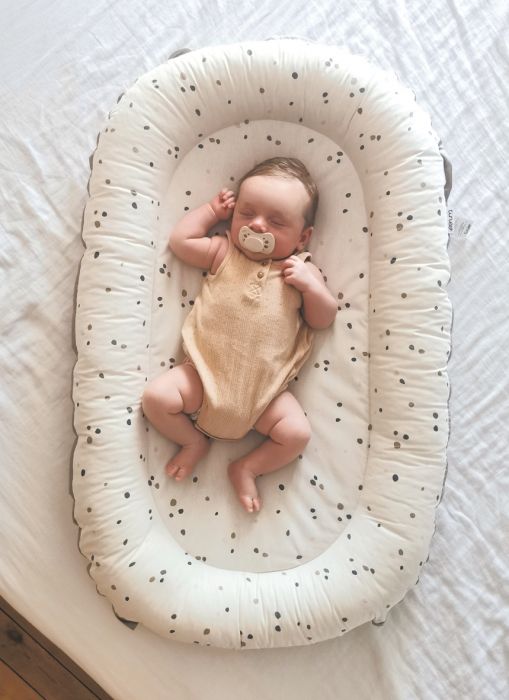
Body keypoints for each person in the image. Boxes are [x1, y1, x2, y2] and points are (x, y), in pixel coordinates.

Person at [142, 157, 337, 512]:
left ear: (302, 237)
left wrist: (312, 289)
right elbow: (182, 241)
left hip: (264, 397)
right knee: (156, 398)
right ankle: (192, 443)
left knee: (296, 434)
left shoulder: (301, 271)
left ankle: (247, 467)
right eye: (246, 214)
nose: (257, 225)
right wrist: (210, 212)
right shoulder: (224, 253)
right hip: (202, 378)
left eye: (276, 221)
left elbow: (322, 319)